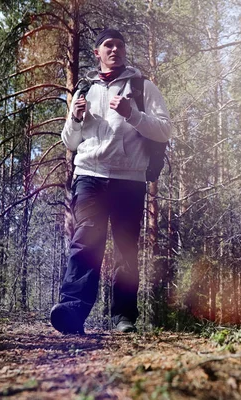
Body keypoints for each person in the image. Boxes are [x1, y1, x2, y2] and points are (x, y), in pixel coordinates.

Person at [51, 28, 171, 334]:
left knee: (125, 249)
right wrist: (76, 119)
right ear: (98, 53)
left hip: (129, 179)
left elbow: (163, 130)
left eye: (119, 45)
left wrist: (133, 114)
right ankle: (72, 313)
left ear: (124, 50)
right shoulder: (84, 90)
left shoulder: (142, 86)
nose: (114, 49)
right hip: (90, 176)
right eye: (108, 45)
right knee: (86, 241)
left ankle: (123, 317)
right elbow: (69, 140)